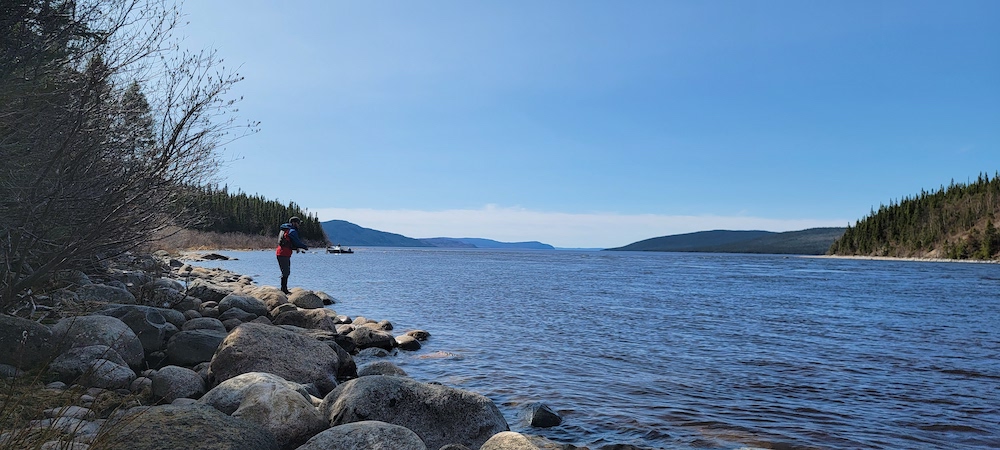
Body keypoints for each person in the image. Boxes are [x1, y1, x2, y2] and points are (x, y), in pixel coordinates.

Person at [276, 216, 308, 294]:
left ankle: (284, 289)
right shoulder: (292, 231)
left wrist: (296, 248)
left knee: (286, 271)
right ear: (293, 223)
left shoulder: (286, 229)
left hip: (282, 253)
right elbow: (297, 242)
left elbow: (288, 242)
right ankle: (284, 290)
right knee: (286, 272)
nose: (299, 225)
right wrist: (304, 247)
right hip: (283, 253)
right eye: (298, 223)